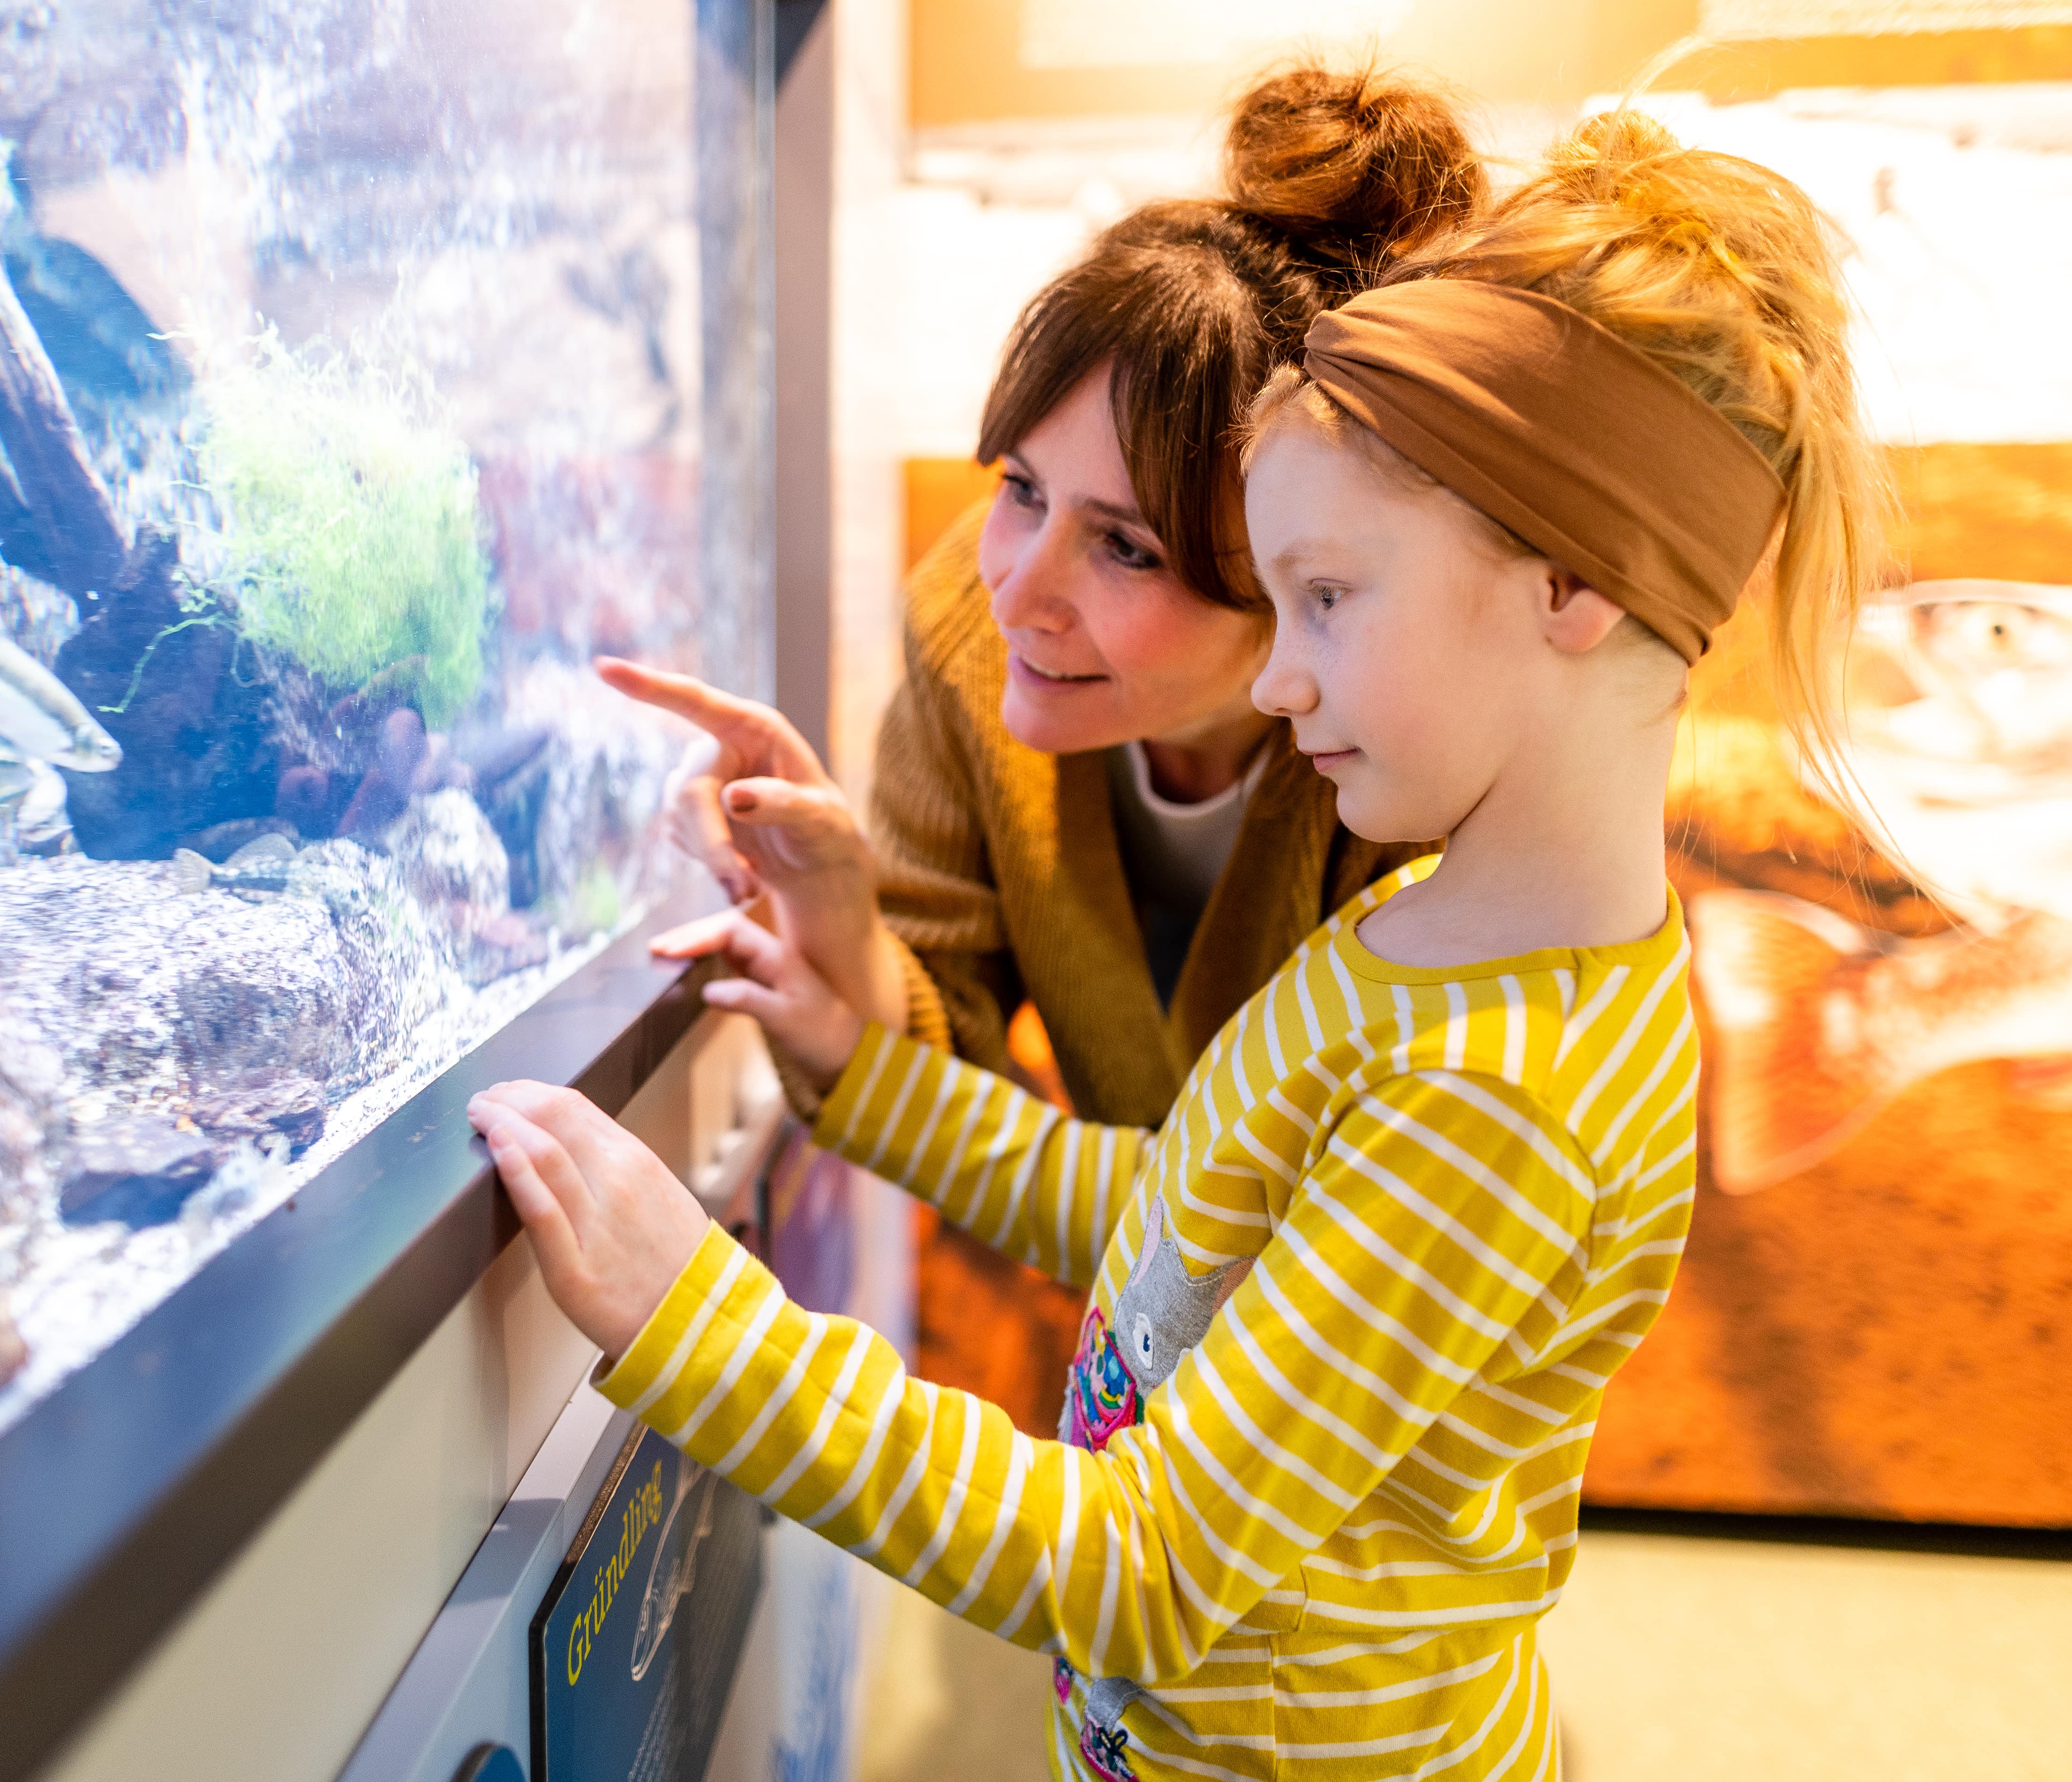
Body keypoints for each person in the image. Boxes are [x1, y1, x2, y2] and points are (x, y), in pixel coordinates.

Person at [472, 108, 1887, 1778]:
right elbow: (1186, 1221)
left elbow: (1144, 1570)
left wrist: (700, 1327)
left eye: (1329, 601)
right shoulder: (1432, 945)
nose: (1289, 683)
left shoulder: (1492, 1096)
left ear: (1572, 584)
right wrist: (868, 1072)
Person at [607, 63, 1483, 1427]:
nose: (1020, 585)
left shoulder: (1426, 781)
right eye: (1021, 488)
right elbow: (931, 1067)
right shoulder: (974, 625)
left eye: (1126, 545)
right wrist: (842, 916)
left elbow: (1301, 1247)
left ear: (1301, 579)